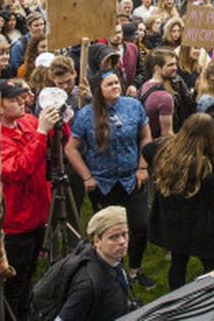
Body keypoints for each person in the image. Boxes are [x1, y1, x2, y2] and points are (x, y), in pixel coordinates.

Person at [0, 79, 61, 320]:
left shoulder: (27, 122)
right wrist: (42, 132)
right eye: (14, 100)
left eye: (22, 97)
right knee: (15, 284)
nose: (22, 102)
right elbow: (18, 171)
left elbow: (55, 143)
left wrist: (58, 121)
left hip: (37, 216)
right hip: (15, 225)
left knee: (30, 277)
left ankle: (26, 313)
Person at [65, 71, 156, 290]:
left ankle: (134, 270)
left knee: (140, 225)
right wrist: (86, 176)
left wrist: (143, 166)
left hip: (132, 180)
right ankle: (113, 273)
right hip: (103, 184)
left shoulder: (133, 106)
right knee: (110, 232)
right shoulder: (86, 115)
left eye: (117, 82)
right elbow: (71, 148)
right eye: (110, 84)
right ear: (99, 89)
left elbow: (145, 137)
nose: (116, 86)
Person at [144, 113, 214, 290]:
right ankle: (212, 296)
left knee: (178, 263)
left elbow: (147, 150)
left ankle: (175, 299)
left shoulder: (165, 150)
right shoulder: (204, 165)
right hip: (198, 223)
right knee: (213, 264)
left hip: (172, 221)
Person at [55, 206, 136, 321]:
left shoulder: (113, 259)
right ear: (97, 241)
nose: (122, 242)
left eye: (124, 234)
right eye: (113, 237)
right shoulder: (87, 285)